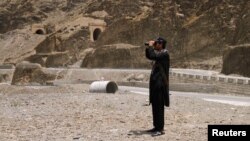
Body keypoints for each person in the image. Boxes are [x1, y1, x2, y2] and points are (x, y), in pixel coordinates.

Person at [145, 37, 170, 136]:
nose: (155, 45)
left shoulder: (164, 53)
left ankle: (160, 129)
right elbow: (149, 55)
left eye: (157, 43)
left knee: (159, 107)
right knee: (155, 106)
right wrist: (148, 47)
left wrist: (151, 46)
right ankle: (156, 126)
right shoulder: (159, 53)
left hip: (160, 85)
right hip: (155, 85)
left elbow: (152, 56)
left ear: (161, 44)